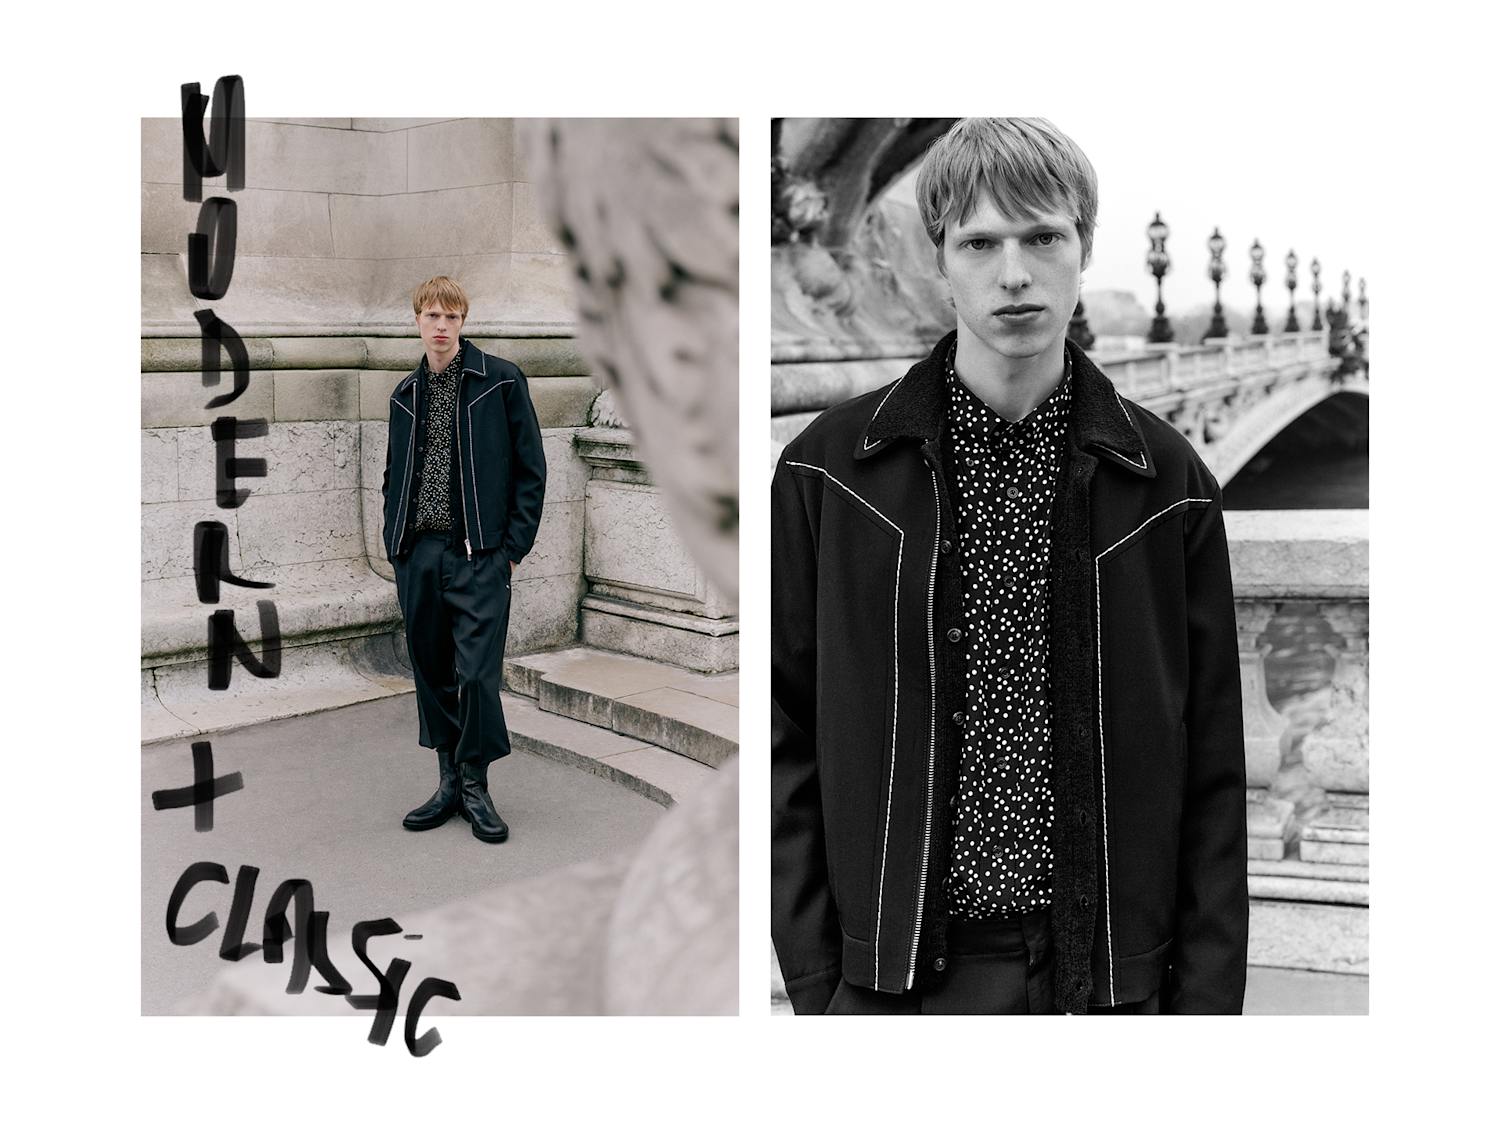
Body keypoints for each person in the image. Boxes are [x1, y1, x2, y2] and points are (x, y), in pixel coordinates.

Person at [770, 118, 1248, 1014]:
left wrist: (1205, 1011)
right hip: (900, 983)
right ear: (941, 256)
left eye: (1042, 238)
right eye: (981, 242)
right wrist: (820, 982)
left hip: (1109, 978)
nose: (1015, 272)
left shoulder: (1173, 483)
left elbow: (1213, 766)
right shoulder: (824, 472)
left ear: (1085, 249)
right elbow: (781, 734)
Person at [382, 276, 547, 844]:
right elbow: (392, 475)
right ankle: (447, 782)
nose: (441, 326)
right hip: (420, 555)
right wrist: (395, 546)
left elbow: (531, 469)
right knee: (431, 672)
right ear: (418, 321)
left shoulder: (498, 381)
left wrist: (512, 552)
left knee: (476, 676)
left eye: (450, 316)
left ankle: (476, 786)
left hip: (479, 555)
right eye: (431, 315)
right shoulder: (405, 393)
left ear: (463, 321)